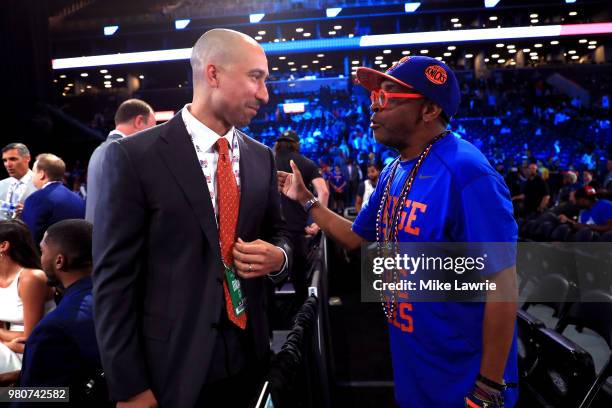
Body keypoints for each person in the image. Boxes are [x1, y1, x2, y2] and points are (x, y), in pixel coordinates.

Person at [278, 56, 518, 407]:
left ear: (430, 109)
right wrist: (306, 200)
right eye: (374, 98)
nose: (373, 108)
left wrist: (487, 387)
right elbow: (355, 237)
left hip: (462, 379)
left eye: (387, 97)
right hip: (415, 365)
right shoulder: (393, 171)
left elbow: (502, 284)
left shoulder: (467, 172)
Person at [92, 28, 292, 408]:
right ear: (213, 74)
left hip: (252, 357)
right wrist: (129, 385)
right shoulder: (135, 157)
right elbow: (113, 279)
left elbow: (280, 233)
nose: (265, 95)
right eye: (256, 77)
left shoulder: (260, 156)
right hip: (171, 367)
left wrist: (278, 257)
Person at [16, 219, 101, 404]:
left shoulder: (54, 329)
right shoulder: (113, 298)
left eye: (42, 251)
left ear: (59, 261)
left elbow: (44, 397)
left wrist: (6, 394)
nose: (40, 258)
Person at [274, 129, 328, 300]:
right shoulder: (305, 163)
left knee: (268, 279)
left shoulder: (266, 160)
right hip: (297, 229)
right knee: (300, 281)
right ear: (297, 145)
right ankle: (304, 320)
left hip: (271, 229)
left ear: (279, 143)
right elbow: (324, 192)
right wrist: (318, 222)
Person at [85, 98, 156, 223]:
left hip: (97, 236)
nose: (153, 137)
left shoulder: (99, 150)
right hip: (116, 239)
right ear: (139, 121)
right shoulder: (125, 153)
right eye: (152, 129)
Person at [0, 220, 54, 374]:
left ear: (3, 246)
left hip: (31, 353)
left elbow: (30, 337)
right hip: (9, 346)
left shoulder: (31, 278)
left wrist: (4, 341)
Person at [21, 154, 85, 245]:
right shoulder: (78, 198)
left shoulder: (36, 199)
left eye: (34, 171)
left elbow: (29, 239)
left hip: (45, 257)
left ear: (41, 174)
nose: (32, 176)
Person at [1, 144, 37, 221]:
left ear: (27, 158)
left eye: (13, 159)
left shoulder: (40, 185)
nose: (8, 164)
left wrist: (29, 212)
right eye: (5, 160)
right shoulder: (1, 184)